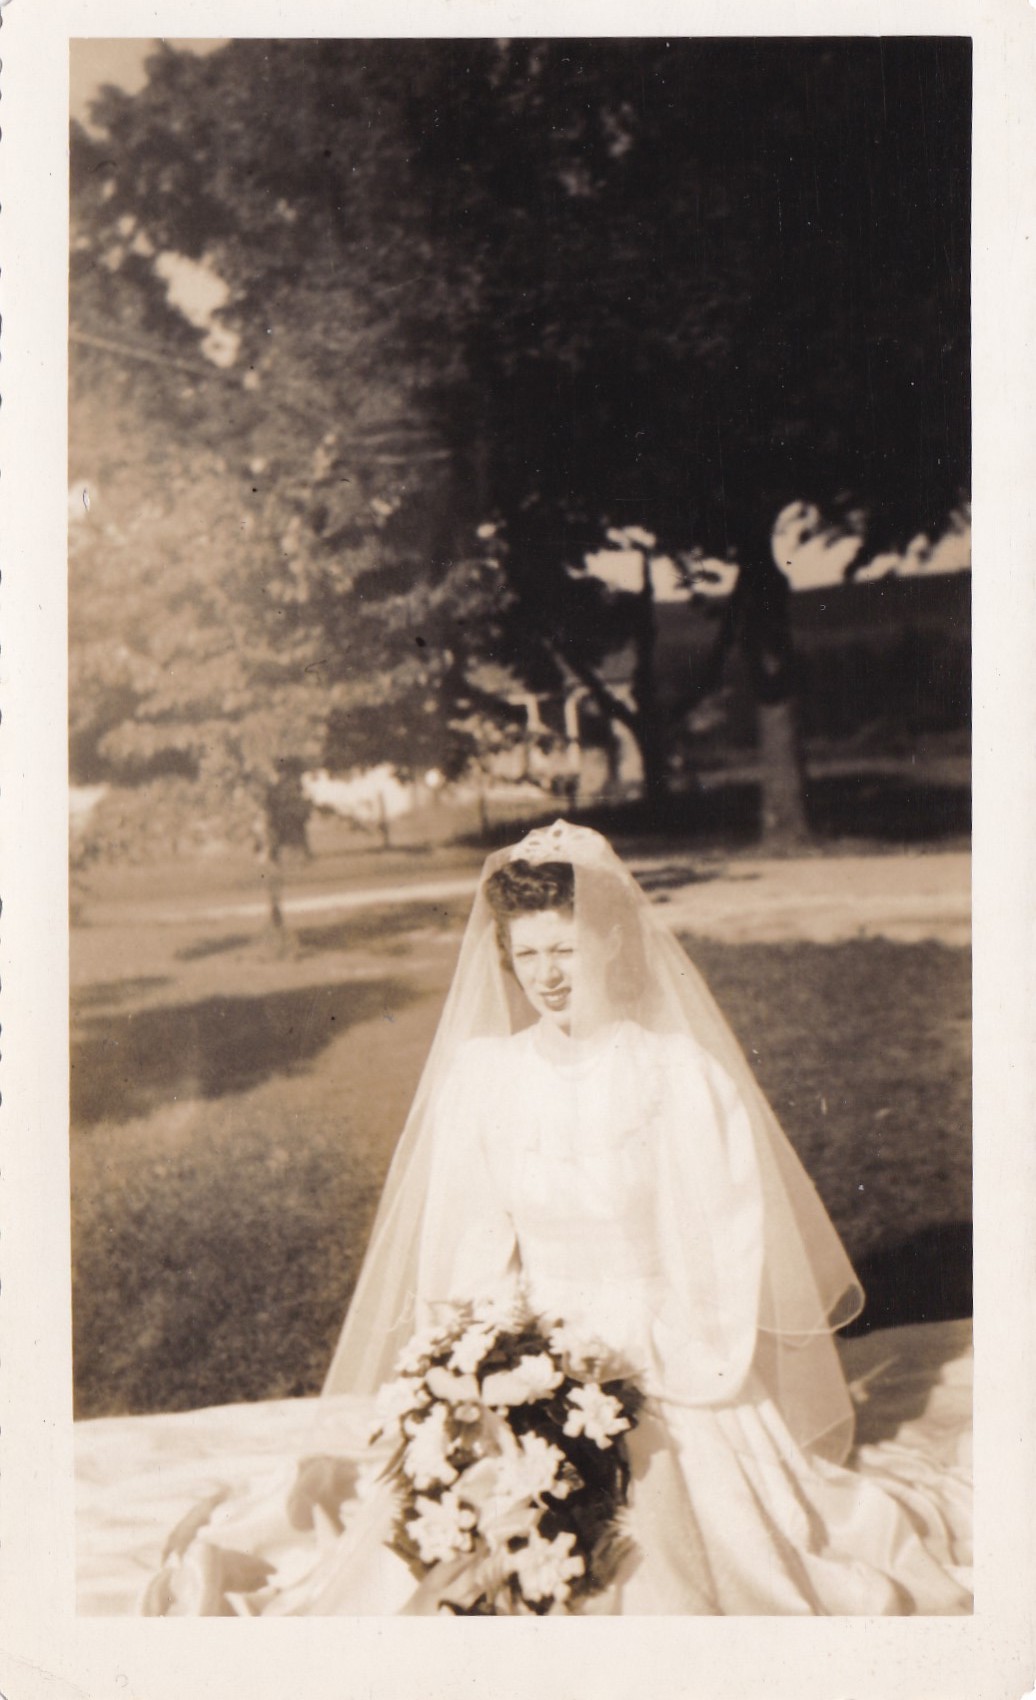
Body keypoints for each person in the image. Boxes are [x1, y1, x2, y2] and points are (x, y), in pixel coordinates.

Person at [144, 820, 971, 1616]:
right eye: (527, 952)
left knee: (658, 1540)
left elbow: (721, 1239)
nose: (546, 974)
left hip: (662, 1348)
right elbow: (470, 1246)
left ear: (609, 943)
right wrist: (489, 1361)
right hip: (526, 1340)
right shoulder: (486, 1077)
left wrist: (655, 1353)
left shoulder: (674, 1074)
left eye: (565, 949)